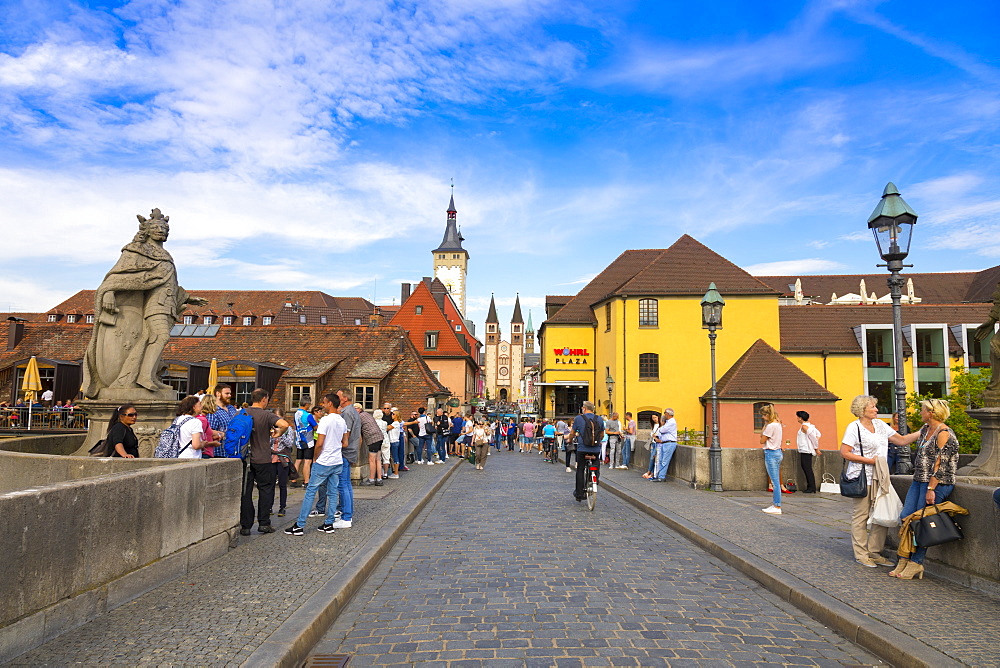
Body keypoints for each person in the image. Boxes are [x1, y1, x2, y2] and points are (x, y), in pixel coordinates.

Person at [840, 394, 916, 567]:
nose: (876, 409)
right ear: (862, 410)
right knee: (861, 516)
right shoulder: (854, 428)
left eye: (875, 406)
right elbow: (845, 452)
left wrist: (923, 432)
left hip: (881, 476)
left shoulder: (881, 425)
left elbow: (901, 440)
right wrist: (870, 461)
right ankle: (861, 554)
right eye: (873, 407)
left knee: (881, 513)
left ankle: (874, 552)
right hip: (862, 477)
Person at [891, 398, 961, 580]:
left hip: (936, 483)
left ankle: (916, 563)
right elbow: (903, 439)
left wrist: (931, 488)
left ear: (931, 413)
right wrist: (877, 429)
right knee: (906, 517)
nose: (920, 413)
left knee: (922, 523)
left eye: (922, 410)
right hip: (918, 480)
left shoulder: (943, 433)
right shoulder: (925, 430)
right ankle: (904, 558)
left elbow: (941, 464)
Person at [285, 393, 348, 535]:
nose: (323, 405)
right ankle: (328, 523)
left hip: (324, 461)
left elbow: (319, 444)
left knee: (310, 492)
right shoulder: (342, 421)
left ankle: (299, 525)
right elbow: (345, 443)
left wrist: (315, 458)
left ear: (330, 403)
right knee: (332, 493)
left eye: (324, 402)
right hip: (337, 461)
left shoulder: (325, 421)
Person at [240, 388, 288, 535]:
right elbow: (284, 424)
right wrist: (278, 433)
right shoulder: (267, 415)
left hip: (245, 458)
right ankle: (264, 523)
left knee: (246, 493)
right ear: (264, 399)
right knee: (266, 490)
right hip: (263, 458)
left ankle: (246, 526)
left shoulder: (242, 413)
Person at [568, 401, 605, 502]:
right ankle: (595, 479)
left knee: (580, 469)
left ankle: (579, 493)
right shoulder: (599, 419)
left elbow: (572, 433)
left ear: (584, 408)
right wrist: (598, 441)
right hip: (595, 448)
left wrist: (569, 440)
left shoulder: (579, 418)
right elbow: (602, 434)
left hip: (582, 448)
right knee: (595, 463)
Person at [758, 404, 784, 514]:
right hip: (778, 452)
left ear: (767, 415)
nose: (762, 418)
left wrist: (765, 425)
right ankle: (775, 505)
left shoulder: (770, 426)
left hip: (771, 453)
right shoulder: (778, 424)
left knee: (775, 482)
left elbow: (762, 440)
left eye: (763, 416)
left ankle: (777, 506)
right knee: (776, 481)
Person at [207, 383, 237, 457]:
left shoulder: (232, 409)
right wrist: (225, 434)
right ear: (218, 394)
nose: (230, 396)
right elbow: (209, 431)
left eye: (230, 393)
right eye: (227, 393)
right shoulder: (213, 411)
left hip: (234, 452)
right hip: (220, 453)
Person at [173, 395, 206, 460]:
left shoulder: (178, 419)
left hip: (178, 454)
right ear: (194, 407)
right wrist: (204, 444)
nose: (202, 406)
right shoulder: (195, 422)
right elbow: (196, 445)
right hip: (191, 456)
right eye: (199, 404)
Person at [293, 397, 317, 487]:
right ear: (307, 404)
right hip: (308, 440)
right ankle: (306, 481)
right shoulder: (307, 415)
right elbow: (315, 426)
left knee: (298, 460)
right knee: (307, 461)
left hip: (299, 439)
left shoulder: (296, 413)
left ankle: (293, 480)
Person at [795, 410, 820, 493]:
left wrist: (816, 448)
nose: (797, 419)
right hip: (806, 450)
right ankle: (811, 486)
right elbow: (818, 435)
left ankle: (811, 487)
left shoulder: (804, 427)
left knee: (807, 468)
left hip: (806, 450)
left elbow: (813, 437)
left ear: (801, 418)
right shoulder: (811, 426)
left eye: (798, 417)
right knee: (807, 468)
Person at [652, 409, 678, 483]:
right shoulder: (668, 422)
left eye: (665, 413)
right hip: (665, 443)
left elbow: (662, 430)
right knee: (661, 460)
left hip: (669, 443)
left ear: (668, 414)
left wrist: (660, 429)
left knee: (664, 461)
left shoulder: (672, 422)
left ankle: (661, 477)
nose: (664, 415)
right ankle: (660, 476)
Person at [197, 394, 221, 458]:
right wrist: (213, 443)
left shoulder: (202, 418)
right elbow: (199, 440)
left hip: (206, 452)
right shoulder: (203, 420)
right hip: (205, 453)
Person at [642, 413, 661, 479]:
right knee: (652, 458)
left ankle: (650, 472)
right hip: (653, 443)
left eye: (655, 417)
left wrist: (655, 436)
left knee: (653, 458)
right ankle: (650, 472)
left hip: (657, 443)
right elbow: (652, 433)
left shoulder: (661, 425)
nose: (654, 419)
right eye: (653, 418)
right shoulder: (654, 425)